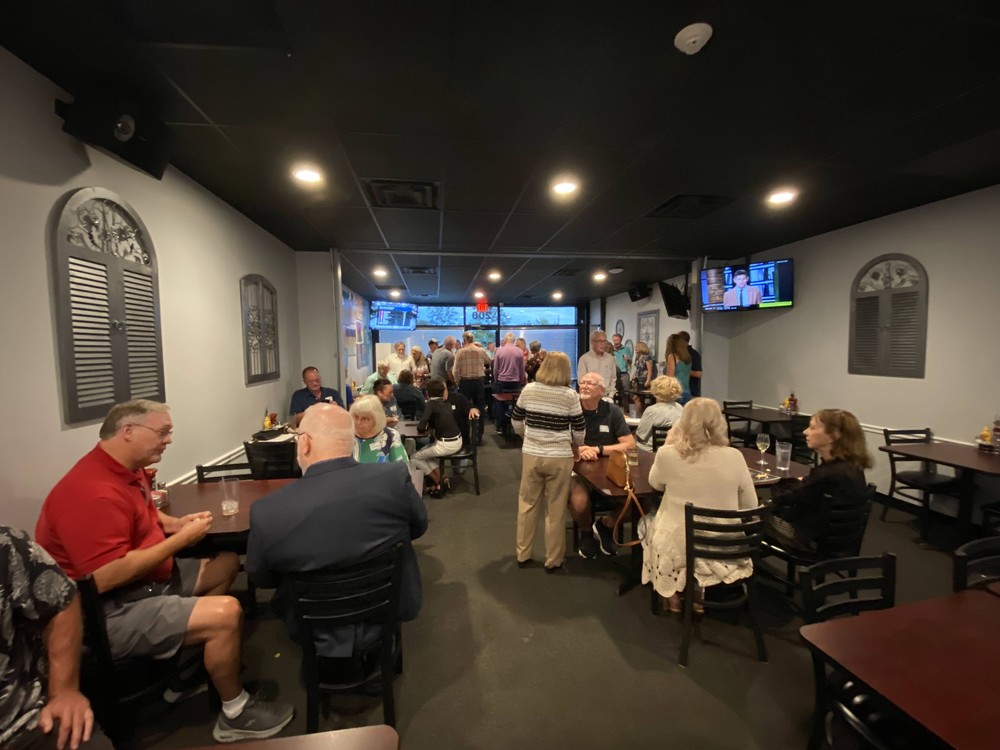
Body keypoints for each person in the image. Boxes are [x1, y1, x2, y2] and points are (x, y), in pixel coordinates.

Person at [34, 400, 294, 743]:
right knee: (227, 613)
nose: (168, 440)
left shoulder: (128, 468)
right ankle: (235, 713)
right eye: (162, 432)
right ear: (128, 432)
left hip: (148, 582)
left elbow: (144, 512)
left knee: (227, 563)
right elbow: (104, 577)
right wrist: (181, 541)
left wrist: (175, 524)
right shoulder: (90, 492)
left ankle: (191, 661)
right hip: (104, 612)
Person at [245, 404, 427, 667]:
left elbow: (262, 577)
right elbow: (418, 527)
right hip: (387, 605)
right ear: (351, 440)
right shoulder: (393, 479)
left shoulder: (267, 511)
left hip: (311, 622)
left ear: (304, 443)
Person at [1, 525, 113, 750]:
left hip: (22, 728)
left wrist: (63, 690)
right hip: (117, 605)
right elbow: (109, 575)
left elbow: (60, 599)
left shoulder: (5, 546)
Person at [641, 398, 758, 613]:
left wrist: (668, 443)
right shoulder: (735, 456)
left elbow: (655, 483)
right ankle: (698, 593)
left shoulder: (668, 454)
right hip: (726, 542)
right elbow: (750, 504)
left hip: (679, 542)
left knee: (646, 524)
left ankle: (671, 594)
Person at [511, 353, 586, 572]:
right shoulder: (570, 395)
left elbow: (516, 420)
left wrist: (527, 436)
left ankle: (523, 554)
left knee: (527, 504)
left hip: (532, 453)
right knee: (556, 508)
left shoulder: (529, 390)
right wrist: (576, 446)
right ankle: (553, 559)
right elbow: (579, 430)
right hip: (560, 456)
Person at [766, 409, 871, 551]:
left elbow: (785, 497)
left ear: (833, 436)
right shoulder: (852, 466)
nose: (805, 432)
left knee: (752, 517)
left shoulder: (827, 474)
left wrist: (784, 484)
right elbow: (807, 492)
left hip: (813, 541)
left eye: (812, 427)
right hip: (842, 538)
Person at [569, 373, 635, 559]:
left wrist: (598, 449)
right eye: (582, 382)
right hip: (577, 469)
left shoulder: (612, 411)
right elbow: (559, 441)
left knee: (639, 502)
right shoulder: (571, 410)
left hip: (608, 470)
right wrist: (579, 450)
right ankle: (586, 533)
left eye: (590, 383)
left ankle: (606, 525)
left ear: (602, 390)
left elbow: (630, 445)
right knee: (580, 503)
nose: (584, 386)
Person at [411, 379, 464, 496]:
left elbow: (421, 426)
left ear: (428, 392)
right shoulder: (446, 403)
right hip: (458, 441)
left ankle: (439, 482)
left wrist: (425, 428)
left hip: (445, 445)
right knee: (426, 455)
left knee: (414, 457)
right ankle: (442, 479)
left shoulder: (431, 404)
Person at [452, 331, 490, 444]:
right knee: (480, 409)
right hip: (478, 382)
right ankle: (478, 436)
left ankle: (466, 437)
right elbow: (489, 361)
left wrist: (458, 382)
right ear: (473, 339)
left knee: (464, 409)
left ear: (464, 340)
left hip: (465, 383)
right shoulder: (481, 350)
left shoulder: (460, 352)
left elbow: (455, 371)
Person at [348, 395, 409, 464]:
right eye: (356, 417)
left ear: (376, 419)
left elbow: (403, 466)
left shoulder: (390, 435)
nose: (358, 422)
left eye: (365, 419)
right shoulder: (345, 436)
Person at [635, 376, 684, 452]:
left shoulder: (652, 410)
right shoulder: (680, 408)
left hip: (651, 451)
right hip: (674, 449)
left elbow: (641, 435)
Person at [577, 329, 617, 400]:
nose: (603, 344)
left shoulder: (610, 359)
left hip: (606, 397)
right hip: (590, 398)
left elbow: (613, 378)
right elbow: (581, 380)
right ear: (593, 342)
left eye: (604, 341)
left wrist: (611, 396)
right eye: (600, 341)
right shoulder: (584, 359)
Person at [664, 334, 693, 404]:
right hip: (687, 392)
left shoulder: (672, 357)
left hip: (676, 393)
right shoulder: (688, 358)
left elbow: (670, 378)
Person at [631, 341, 654, 413]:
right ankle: (639, 413)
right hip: (639, 380)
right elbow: (638, 369)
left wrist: (648, 380)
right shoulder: (637, 358)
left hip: (645, 380)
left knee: (638, 398)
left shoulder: (647, 357)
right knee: (636, 398)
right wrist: (634, 374)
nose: (636, 349)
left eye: (637, 347)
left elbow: (650, 370)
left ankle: (641, 413)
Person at [677, 331, 703, 398]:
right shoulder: (677, 354)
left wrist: (681, 370)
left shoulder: (693, 354)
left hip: (691, 392)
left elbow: (698, 374)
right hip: (678, 391)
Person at [610, 333, 632, 405]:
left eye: (617, 340)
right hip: (613, 373)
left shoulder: (626, 349)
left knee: (625, 392)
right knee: (613, 391)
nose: (616, 342)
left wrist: (628, 359)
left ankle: (626, 409)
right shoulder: (611, 350)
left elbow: (630, 361)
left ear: (621, 340)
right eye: (614, 340)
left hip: (623, 373)